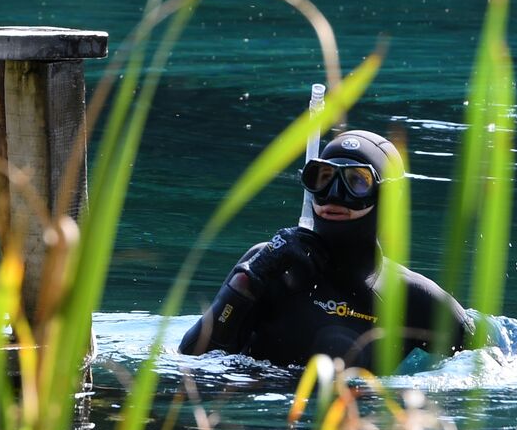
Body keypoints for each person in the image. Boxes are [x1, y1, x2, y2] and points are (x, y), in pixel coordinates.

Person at [179, 130, 472, 368]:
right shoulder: (268, 266)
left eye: (356, 182)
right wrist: (246, 282)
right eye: (322, 177)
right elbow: (190, 361)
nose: (333, 196)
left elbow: (494, 370)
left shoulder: (417, 301)